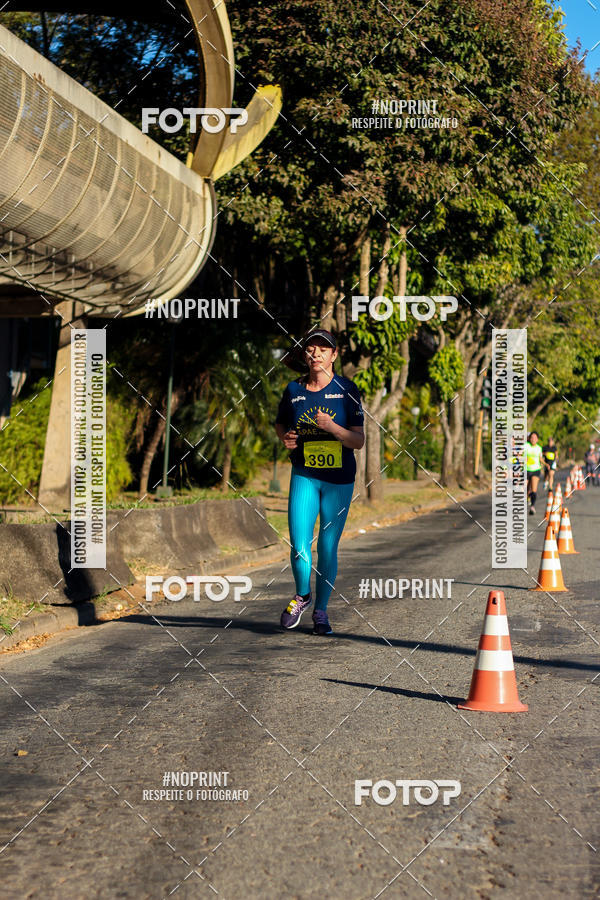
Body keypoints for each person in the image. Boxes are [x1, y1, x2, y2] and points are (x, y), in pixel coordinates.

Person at [275, 329, 365, 635]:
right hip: (305, 475)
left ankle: (322, 611)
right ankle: (302, 595)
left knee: (327, 546)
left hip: (338, 479)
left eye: (323, 349)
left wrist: (333, 428)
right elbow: (281, 423)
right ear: (305, 355)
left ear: (334, 355)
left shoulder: (347, 389)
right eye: (311, 349)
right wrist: (285, 438)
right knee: (299, 544)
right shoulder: (293, 389)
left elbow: (358, 441)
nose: (316, 354)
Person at [525, 431, 544, 514]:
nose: (533, 439)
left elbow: (540, 458)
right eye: (532, 437)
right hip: (526, 470)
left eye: (535, 438)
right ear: (529, 438)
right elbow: (519, 455)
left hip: (536, 469)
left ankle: (532, 507)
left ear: (537, 439)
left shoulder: (539, 448)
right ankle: (527, 496)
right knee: (525, 488)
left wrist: (546, 464)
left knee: (534, 489)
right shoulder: (525, 446)